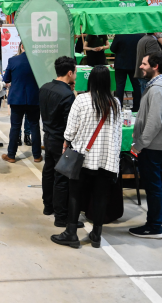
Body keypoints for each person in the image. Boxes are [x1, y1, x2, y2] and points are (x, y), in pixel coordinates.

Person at [51, 66, 122, 249]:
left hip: (83, 158)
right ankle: (96, 235)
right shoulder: (115, 103)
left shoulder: (82, 100)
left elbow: (71, 128)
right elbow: (118, 134)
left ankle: (71, 233)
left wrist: (66, 141)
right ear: (108, 82)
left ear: (90, 80)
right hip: (106, 161)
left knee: (75, 195)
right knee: (100, 197)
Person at [129, 52, 162, 239]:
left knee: (153, 186)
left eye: (144, 63)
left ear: (155, 65)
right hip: (160, 145)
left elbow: (154, 122)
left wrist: (139, 144)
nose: (141, 66)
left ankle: (154, 226)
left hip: (152, 146)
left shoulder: (158, 90)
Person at [39, 57, 77, 227]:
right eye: (75, 72)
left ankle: (48, 206)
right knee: (61, 177)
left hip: (47, 136)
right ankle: (61, 217)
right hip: (61, 141)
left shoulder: (45, 88)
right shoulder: (67, 95)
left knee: (48, 171)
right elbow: (70, 123)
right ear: (70, 73)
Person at [1, 43, 42, 163]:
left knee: (15, 127)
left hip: (17, 99)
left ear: (21, 47)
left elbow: (6, 79)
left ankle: (11, 155)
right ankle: (37, 155)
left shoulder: (13, 60)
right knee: (35, 126)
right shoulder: (38, 61)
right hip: (34, 98)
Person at [110, 33, 144, 112]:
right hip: (135, 64)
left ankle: (118, 107)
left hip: (120, 64)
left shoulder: (119, 35)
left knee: (120, 86)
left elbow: (112, 49)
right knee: (136, 86)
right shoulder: (140, 35)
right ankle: (136, 107)